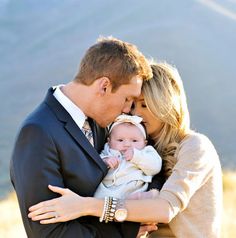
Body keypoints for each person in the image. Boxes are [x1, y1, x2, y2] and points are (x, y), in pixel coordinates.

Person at [28, 62, 222, 238]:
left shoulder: (194, 146)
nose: (136, 113)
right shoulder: (138, 145)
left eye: (145, 105)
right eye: (132, 104)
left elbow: (164, 209)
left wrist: (86, 206)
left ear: (166, 105)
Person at [10, 36, 153, 238]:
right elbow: (49, 232)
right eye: (127, 99)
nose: (127, 110)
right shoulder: (37, 133)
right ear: (104, 86)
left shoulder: (101, 120)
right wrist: (124, 230)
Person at [94, 114, 162, 199]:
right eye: (120, 140)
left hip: (134, 191)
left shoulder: (146, 152)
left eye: (134, 140)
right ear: (109, 142)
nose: (127, 144)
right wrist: (105, 161)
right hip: (106, 191)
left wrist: (137, 156)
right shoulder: (108, 150)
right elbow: (95, 162)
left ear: (145, 143)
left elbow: (155, 168)